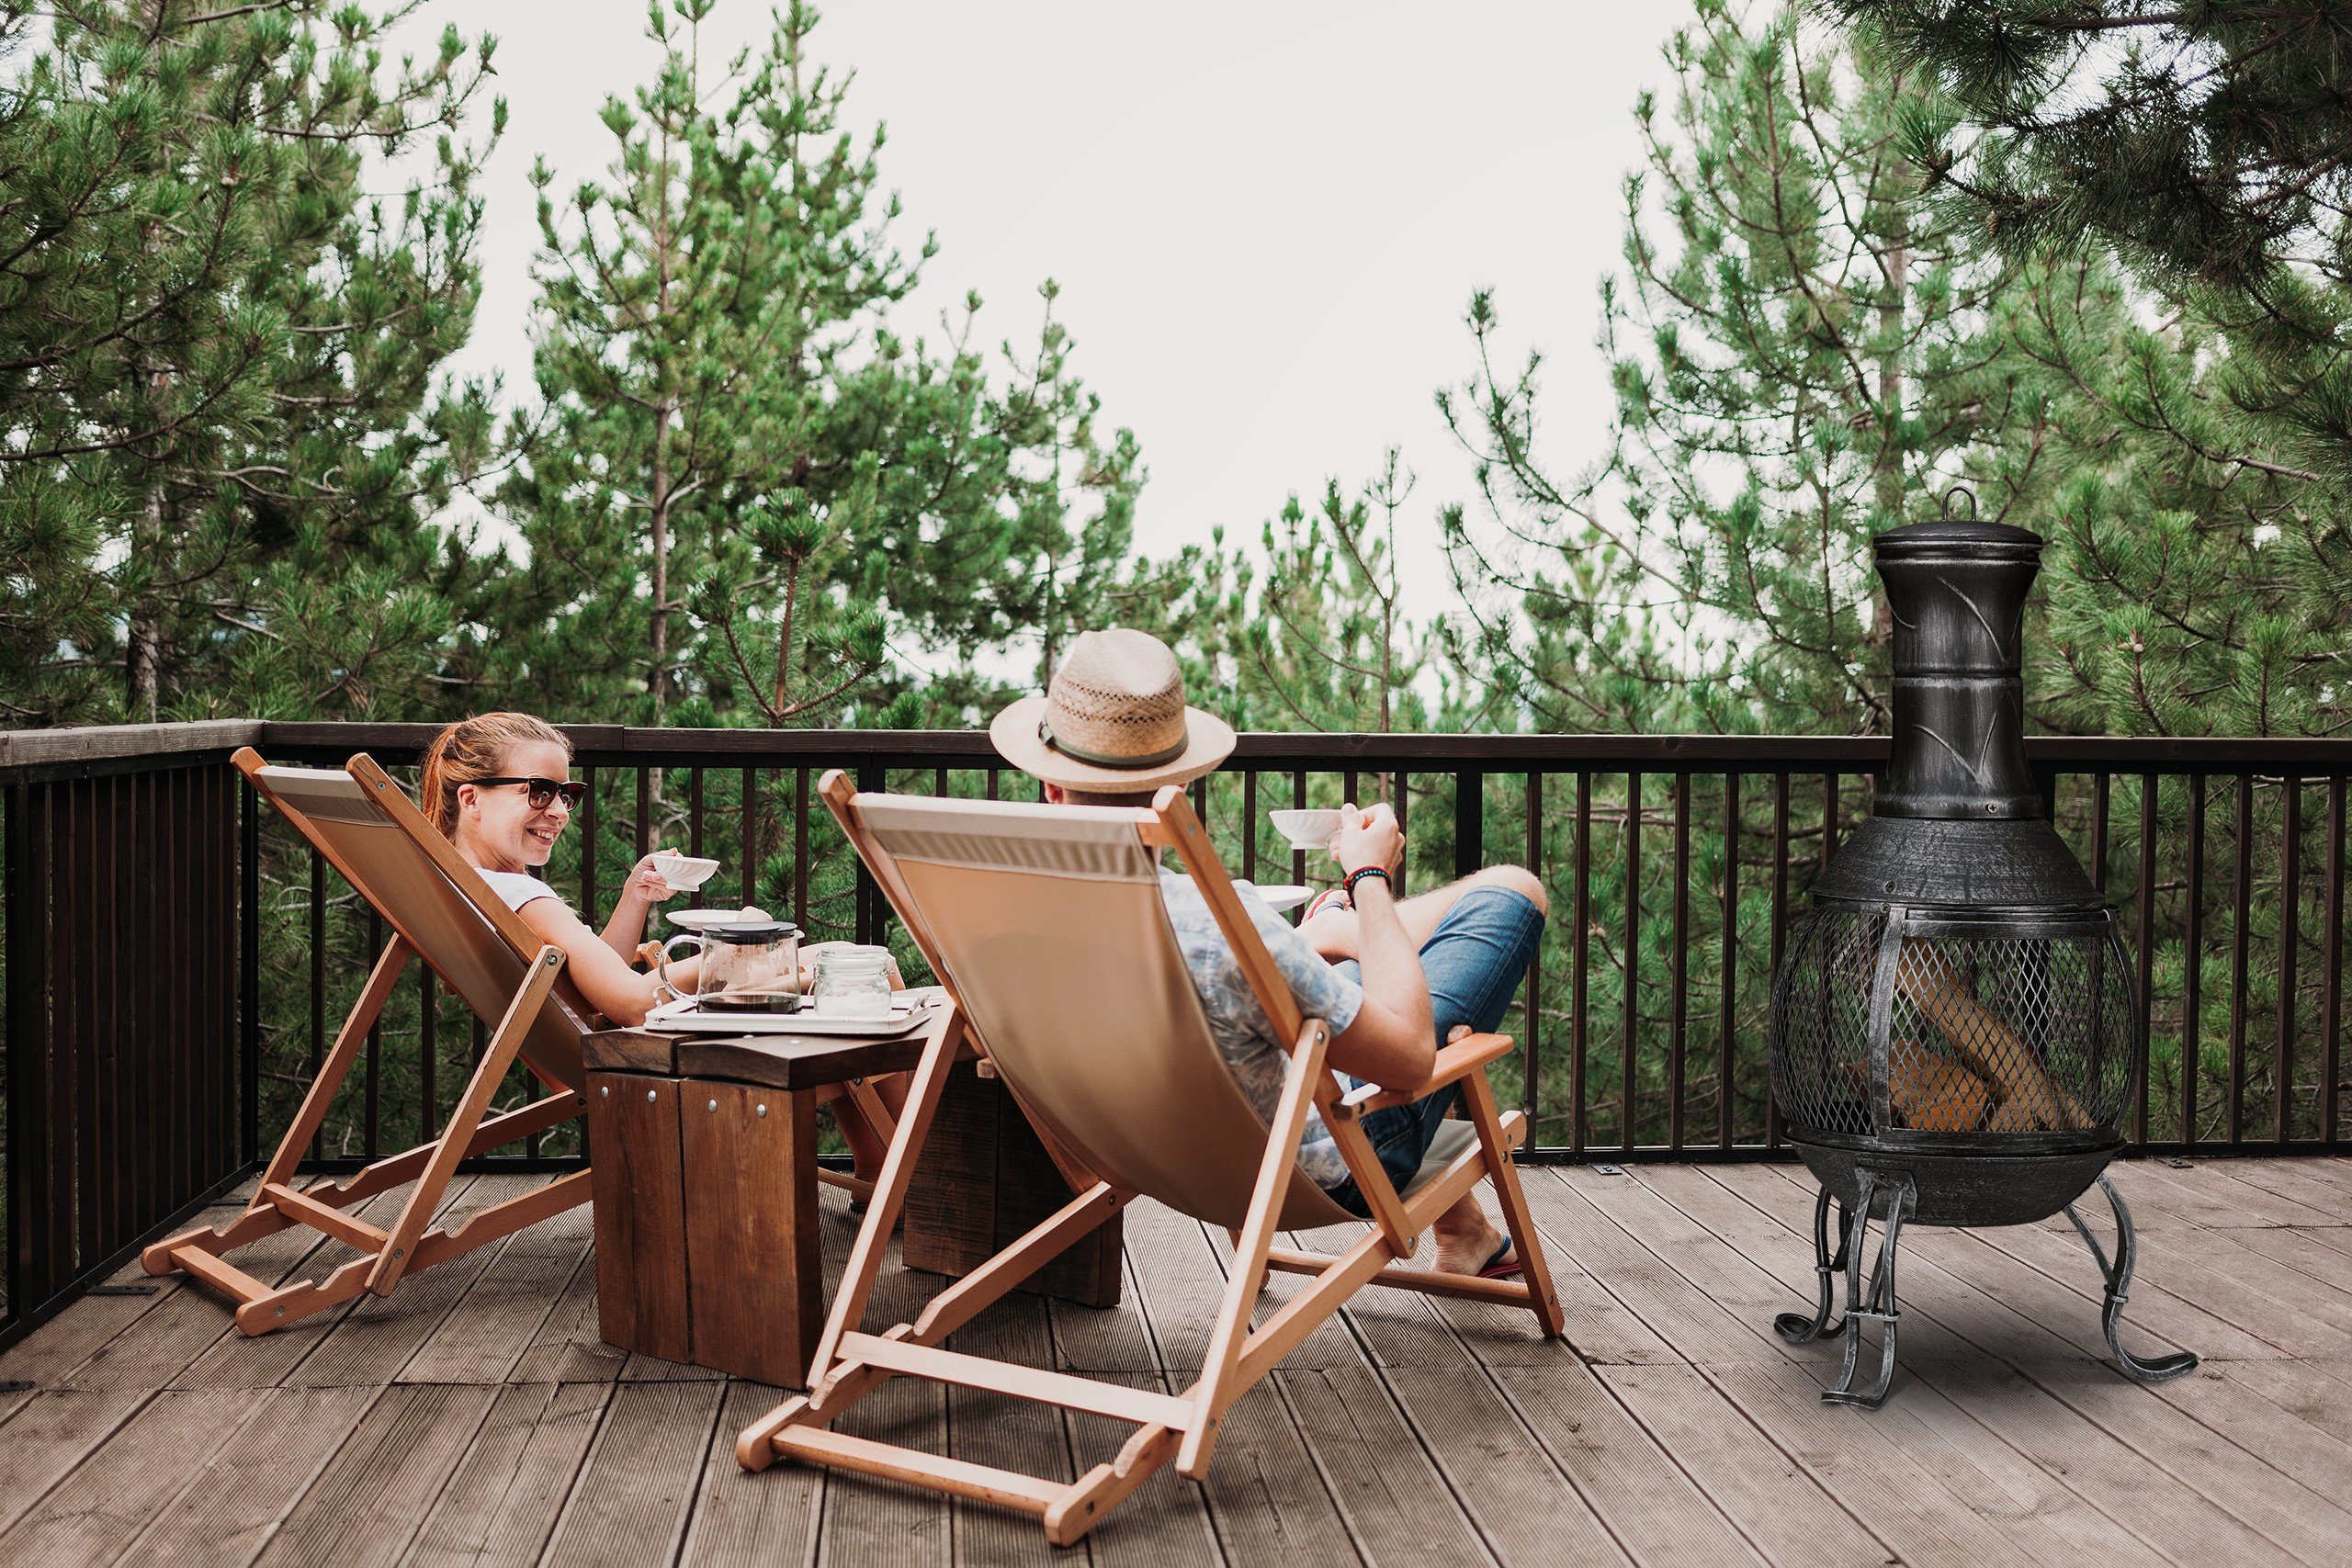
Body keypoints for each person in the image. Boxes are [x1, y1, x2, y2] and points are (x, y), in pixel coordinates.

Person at [990, 627, 1545, 1280]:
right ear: (1180, 783)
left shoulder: (1004, 916)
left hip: (1148, 1154)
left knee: (1328, 956)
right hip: (1327, 1160)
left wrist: (1312, 943)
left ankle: (1333, 935)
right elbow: (1412, 1057)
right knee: (1514, 891)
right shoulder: (1225, 925)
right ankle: (1345, 924)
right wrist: (1368, 877)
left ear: (1053, 788)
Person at [417, 712, 691, 1029]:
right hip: (607, 1056)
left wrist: (634, 895)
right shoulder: (522, 897)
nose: (561, 812)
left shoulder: (465, 886)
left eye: (566, 794)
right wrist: (737, 954)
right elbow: (634, 1003)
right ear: (471, 800)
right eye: (540, 791)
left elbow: (592, 984)